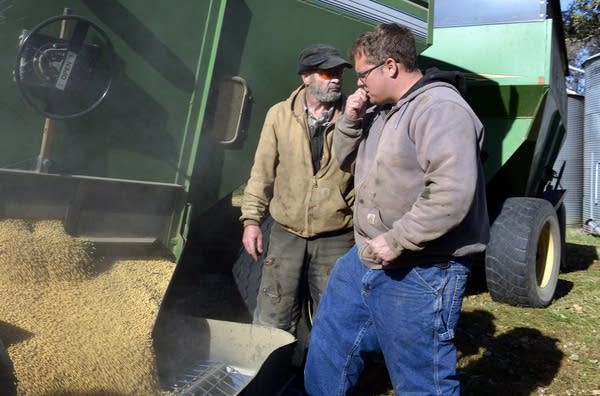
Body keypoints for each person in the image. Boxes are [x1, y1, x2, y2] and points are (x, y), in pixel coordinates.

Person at [304, 23, 490, 395]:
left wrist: (399, 239)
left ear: (390, 66)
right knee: (329, 344)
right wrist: (351, 120)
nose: (359, 85)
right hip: (366, 255)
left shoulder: (440, 108)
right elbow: (343, 161)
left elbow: (452, 193)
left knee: (421, 377)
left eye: (363, 75)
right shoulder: (381, 111)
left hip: (423, 265)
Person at [239, 44, 355, 336]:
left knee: (335, 317)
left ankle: (320, 380)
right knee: (272, 311)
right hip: (286, 232)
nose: (337, 79)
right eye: (328, 72)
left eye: (339, 72)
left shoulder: (354, 118)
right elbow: (262, 172)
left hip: (337, 235)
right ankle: (269, 373)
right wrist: (252, 221)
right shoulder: (278, 115)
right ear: (306, 77)